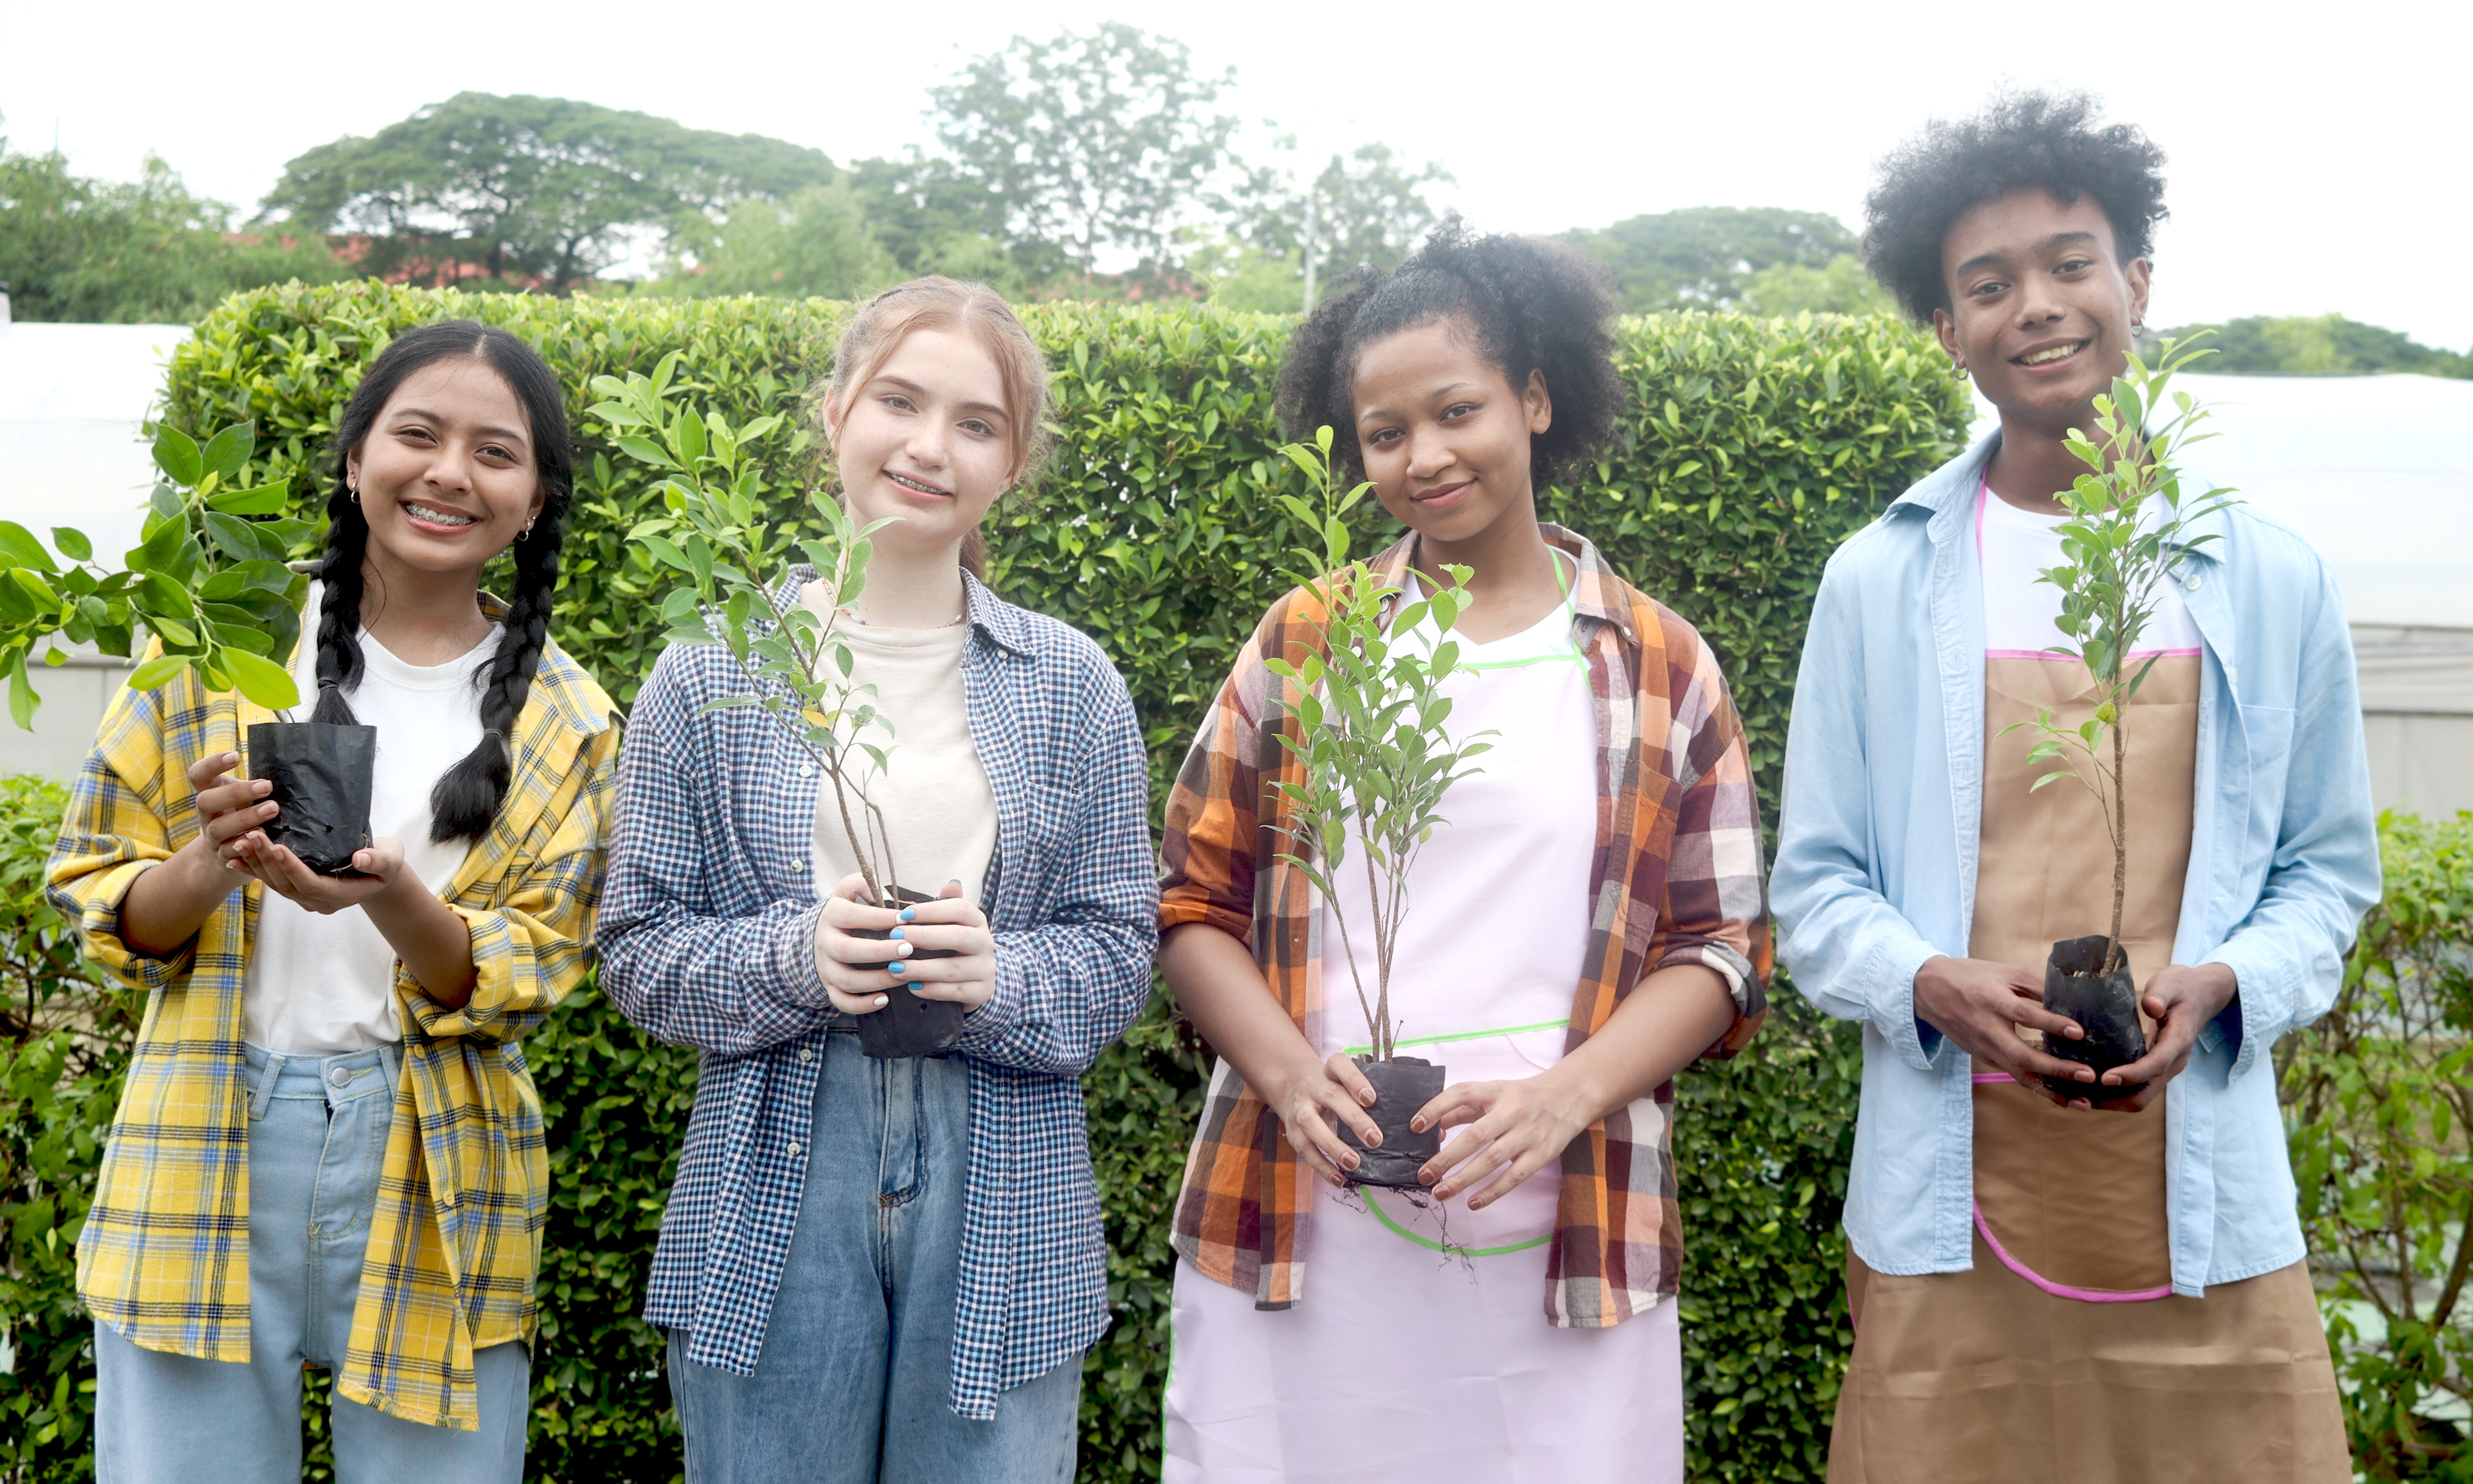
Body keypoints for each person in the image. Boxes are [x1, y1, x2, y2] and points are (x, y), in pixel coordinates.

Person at [1769, 91, 2372, 1481]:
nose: (2035, 306)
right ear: (1946, 330)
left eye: (2069, 262)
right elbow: (1818, 885)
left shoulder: (2268, 574)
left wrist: (2223, 989)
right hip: (1945, 1190)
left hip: (2204, 1192)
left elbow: (2326, 873)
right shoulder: (1883, 578)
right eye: (1987, 284)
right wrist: (1928, 979)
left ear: (2137, 283)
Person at [1158, 222, 1772, 1482]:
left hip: (1569, 1235)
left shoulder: (1662, 665)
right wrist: (1285, 1075)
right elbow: (1189, 902)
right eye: (1385, 435)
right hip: (1304, 1228)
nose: (1425, 457)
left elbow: (1722, 949)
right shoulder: (1308, 640)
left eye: (1457, 411)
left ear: (1535, 399)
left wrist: (1563, 1098)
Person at [597, 276, 1157, 1482]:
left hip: (1006, 1178)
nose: (928, 446)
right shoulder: (708, 674)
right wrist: (798, 958)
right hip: (772, 1165)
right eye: (898, 400)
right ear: (839, 412)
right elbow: (636, 949)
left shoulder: (1073, 685)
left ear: (1015, 464)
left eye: (977, 422)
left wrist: (1000, 973)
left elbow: (1120, 951)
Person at [50, 321, 619, 1481]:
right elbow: (106, 906)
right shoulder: (220, 649)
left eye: (494, 453)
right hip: (207, 1124)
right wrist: (215, 857)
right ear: (356, 459)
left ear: (534, 504)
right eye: (417, 434)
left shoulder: (570, 716)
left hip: (440, 1156)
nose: (450, 471)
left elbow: (525, 973)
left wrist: (388, 894)